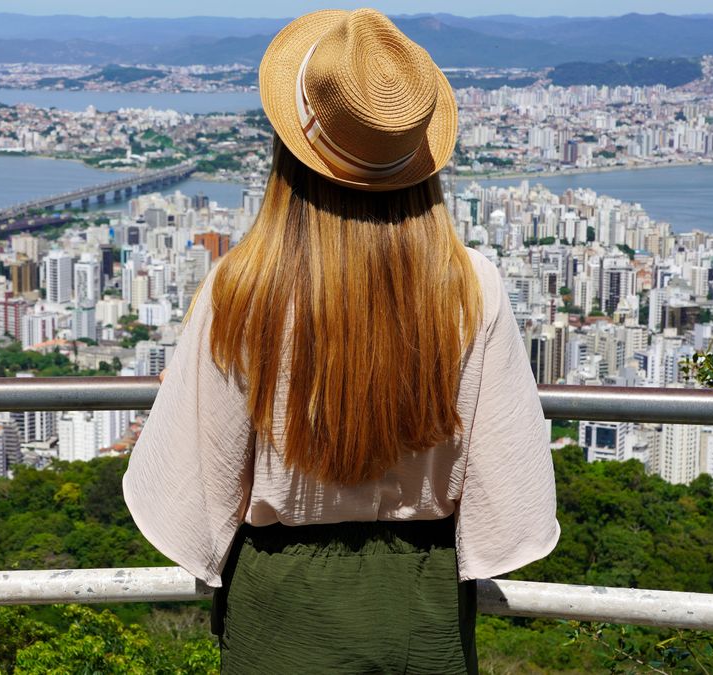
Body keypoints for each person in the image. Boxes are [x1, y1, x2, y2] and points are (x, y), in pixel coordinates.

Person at [123, 8, 559, 673]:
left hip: (282, 608)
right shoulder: (473, 288)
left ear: (290, 150)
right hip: (423, 603)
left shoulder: (242, 289)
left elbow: (191, 497)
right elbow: (509, 498)